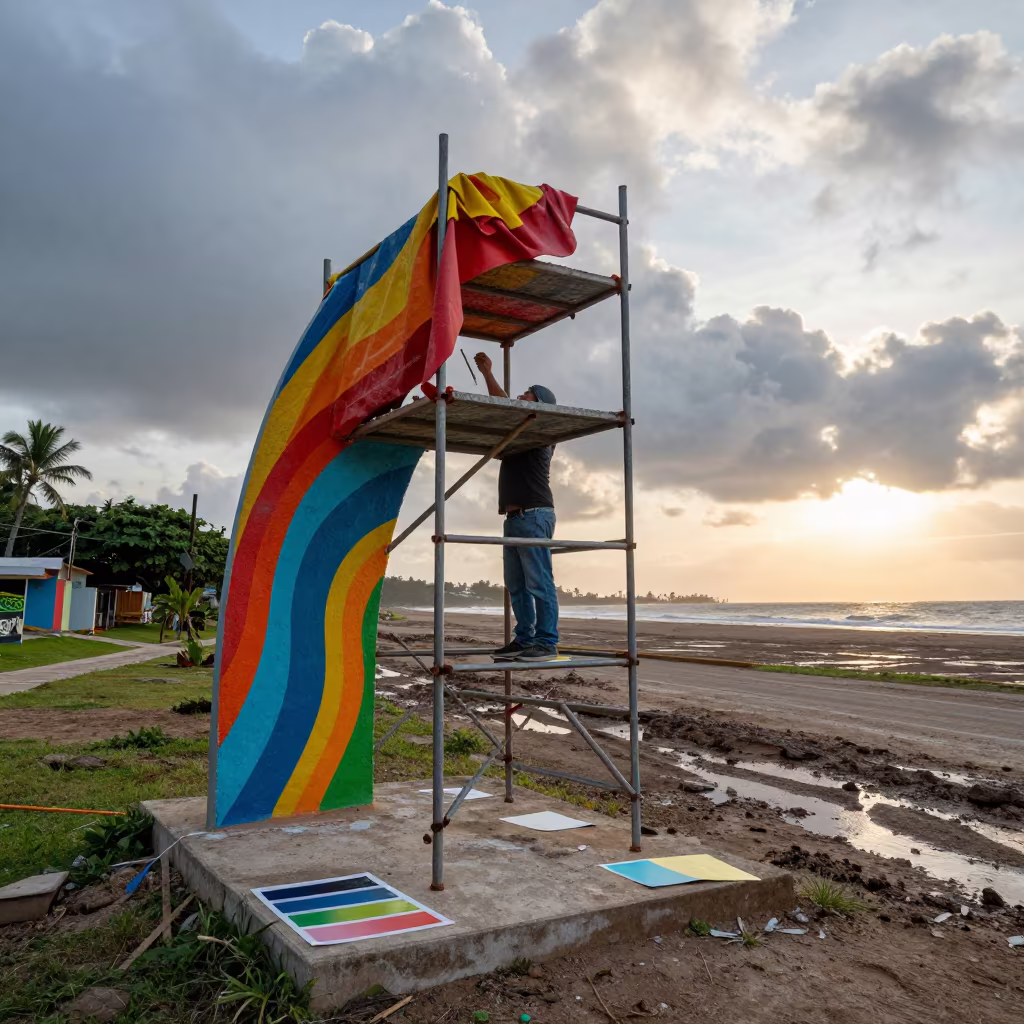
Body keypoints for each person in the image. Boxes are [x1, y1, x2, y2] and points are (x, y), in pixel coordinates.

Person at [473, 351, 559, 662]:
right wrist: (486, 373)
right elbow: (508, 409)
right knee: (517, 585)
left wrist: (488, 375)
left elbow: (509, 407)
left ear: (539, 405)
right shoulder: (517, 433)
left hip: (534, 514)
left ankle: (547, 641)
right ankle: (525, 639)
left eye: (527, 394)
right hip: (515, 518)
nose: (521, 396)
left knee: (539, 581)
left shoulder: (541, 431)